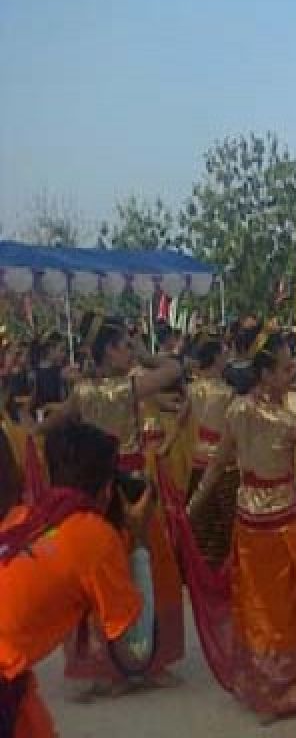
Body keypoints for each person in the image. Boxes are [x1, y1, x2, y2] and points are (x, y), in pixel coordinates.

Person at [187, 327, 296, 722]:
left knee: (265, 607)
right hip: (284, 521)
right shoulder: (286, 421)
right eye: (285, 370)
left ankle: (271, 687)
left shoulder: (236, 410)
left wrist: (192, 507)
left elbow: (216, 466)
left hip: (250, 520)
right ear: (265, 374)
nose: (291, 376)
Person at [35, 312, 185, 695]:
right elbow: (173, 369)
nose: (127, 351)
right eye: (121, 345)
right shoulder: (130, 386)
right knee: (149, 571)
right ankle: (149, 662)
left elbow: (47, 428)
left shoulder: (83, 393)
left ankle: (104, 666)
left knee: (103, 576)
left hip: (95, 494)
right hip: (131, 489)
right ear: (108, 351)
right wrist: (143, 353)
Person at [0, 423, 157, 738]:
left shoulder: (22, 518)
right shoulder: (94, 536)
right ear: (107, 490)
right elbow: (138, 650)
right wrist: (138, 543)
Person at [176, 328, 237, 565]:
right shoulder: (228, 393)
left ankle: (197, 562)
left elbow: (181, 420)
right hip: (223, 461)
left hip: (198, 456)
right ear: (216, 359)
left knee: (200, 515)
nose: (227, 357)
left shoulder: (191, 389)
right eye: (223, 354)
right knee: (224, 517)